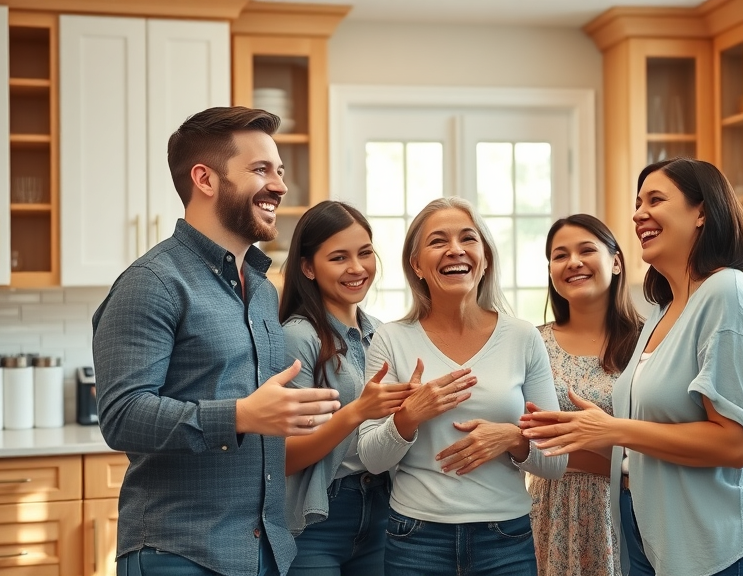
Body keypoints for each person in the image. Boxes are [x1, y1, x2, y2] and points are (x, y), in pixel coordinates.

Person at [92, 106, 341, 576]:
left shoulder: (263, 291)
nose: (280, 186)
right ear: (205, 179)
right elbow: (121, 416)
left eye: (280, 171)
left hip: (263, 551)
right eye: (260, 169)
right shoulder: (153, 282)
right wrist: (241, 415)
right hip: (180, 554)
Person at [522, 158, 743, 576]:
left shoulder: (728, 292)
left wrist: (613, 429)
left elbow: (734, 445)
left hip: (719, 548)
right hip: (654, 543)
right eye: (637, 202)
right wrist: (578, 433)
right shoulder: (662, 313)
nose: (638, 213)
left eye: (655, 200)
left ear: (702, 212)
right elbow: (644, 448)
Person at [358, 197, 568, 576]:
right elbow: (371, 458)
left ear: (485, 257)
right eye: (438, 241)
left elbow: (555, 462)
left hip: (506, 538)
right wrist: (409, 416)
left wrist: (513, 438)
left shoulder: (522, 337)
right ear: (417, 264)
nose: (455, 249)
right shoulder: (390, 340)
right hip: (415, 539)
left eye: (468, 238)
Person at [278, 200, 417, 576]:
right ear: (308, 267)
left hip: (385, 507)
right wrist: (356, 412)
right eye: (339, 258)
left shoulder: (381, 333)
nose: (357, 268)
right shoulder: (298, 337)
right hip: (319, 516)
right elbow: (286, 457)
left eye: (365, 253)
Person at [528, 214, 642, 576]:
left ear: (617, 261)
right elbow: (526, 437)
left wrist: (573, 448)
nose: (573, 262)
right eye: (560, 255)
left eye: (586, 250)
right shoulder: (533, 342)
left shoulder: (648, 342)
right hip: (551, 509)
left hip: (630, 506)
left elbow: (658, 444)